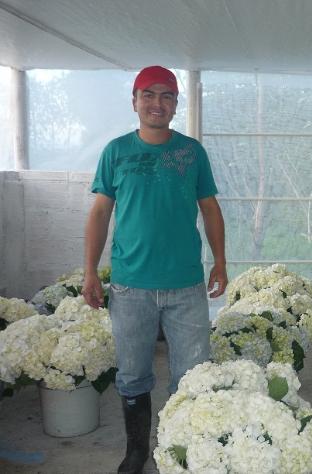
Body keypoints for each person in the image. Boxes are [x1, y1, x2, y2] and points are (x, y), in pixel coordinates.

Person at [82, 65, 227, 474]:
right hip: (131, 287)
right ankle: (136, 452)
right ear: (135, 101)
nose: (157, 103)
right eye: (149, 94)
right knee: (132, 375)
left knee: (192, 375)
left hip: (186, 286)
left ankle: (184, 449)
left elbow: (210, 208)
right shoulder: (116, 152)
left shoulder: (191, 152)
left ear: (176, 104)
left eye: (166, 96)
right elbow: (100, 213)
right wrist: (90, 271)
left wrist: (220, 261)